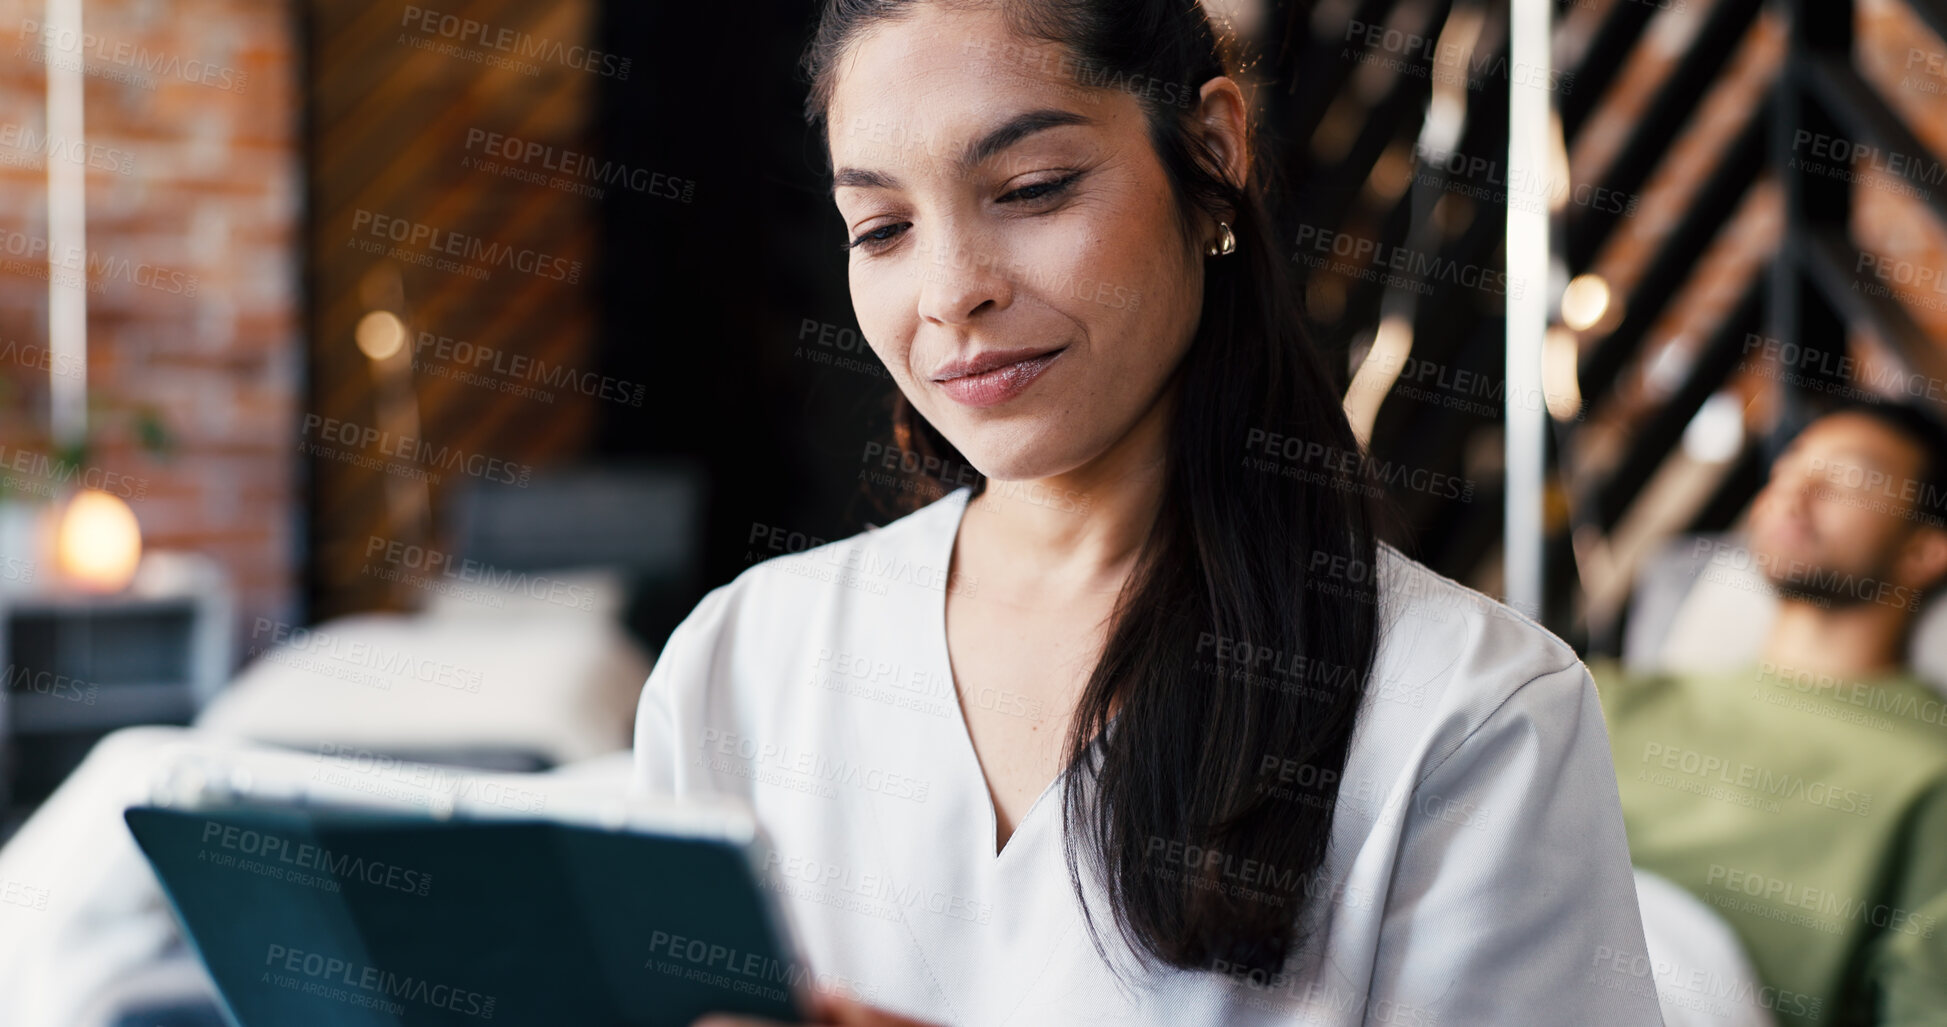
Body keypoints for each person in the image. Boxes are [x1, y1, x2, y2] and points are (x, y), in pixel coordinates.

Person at [634, 1, 1662, 1023]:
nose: (950, 291)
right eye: (884, 228)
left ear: (1210, 150)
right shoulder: (747, 660)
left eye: (1032, 189)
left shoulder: (1469, 713)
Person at [1595, 399, 1947, 1026]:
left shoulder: (1928, 774)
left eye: (1849, 478)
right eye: (1789, 468)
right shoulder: (1608, 697)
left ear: (1924, 550)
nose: (1795, 490)